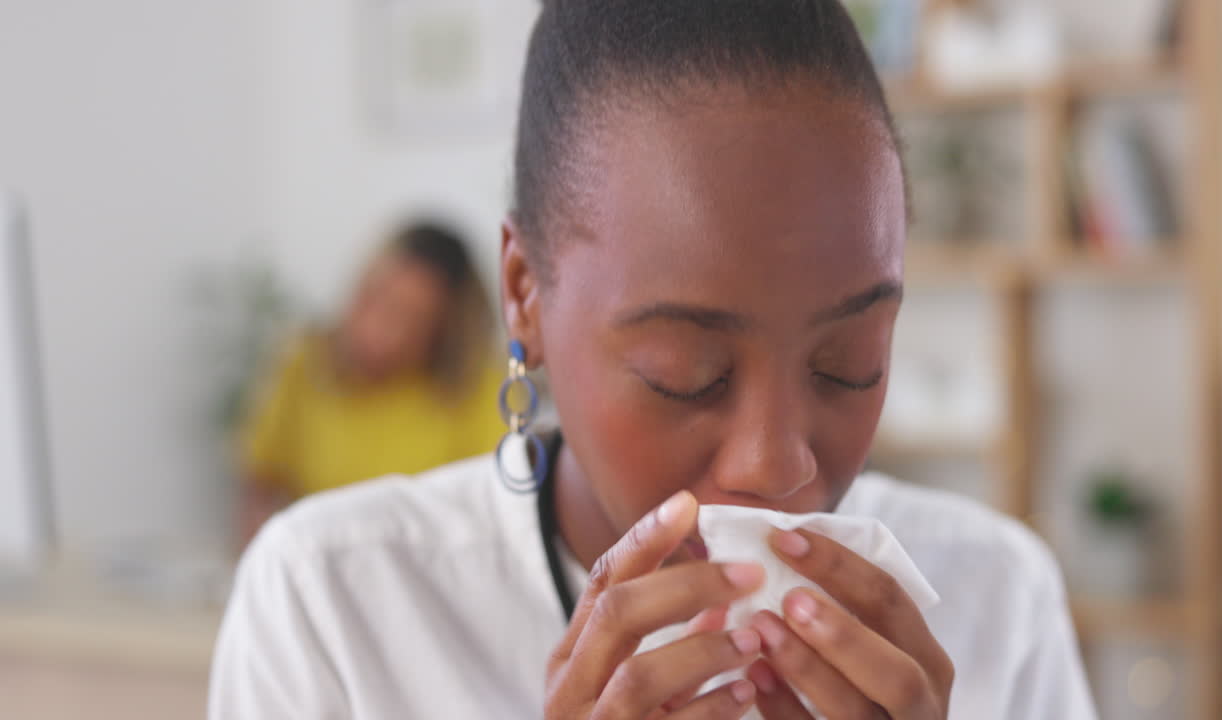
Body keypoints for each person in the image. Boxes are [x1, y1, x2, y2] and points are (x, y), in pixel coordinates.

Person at [210, 2, 1097, 718]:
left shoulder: (992, 599)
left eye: (847, 361)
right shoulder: (335, 602)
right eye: (689, 373)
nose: (776, 464)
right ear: (525, 293)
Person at [236, 221, 504, 545]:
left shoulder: (477, 388)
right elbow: (260, 483)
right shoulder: (304, 361)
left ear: (442, 336)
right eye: (374, 299)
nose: (377, 331)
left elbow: (488, 517)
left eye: (408, 319)